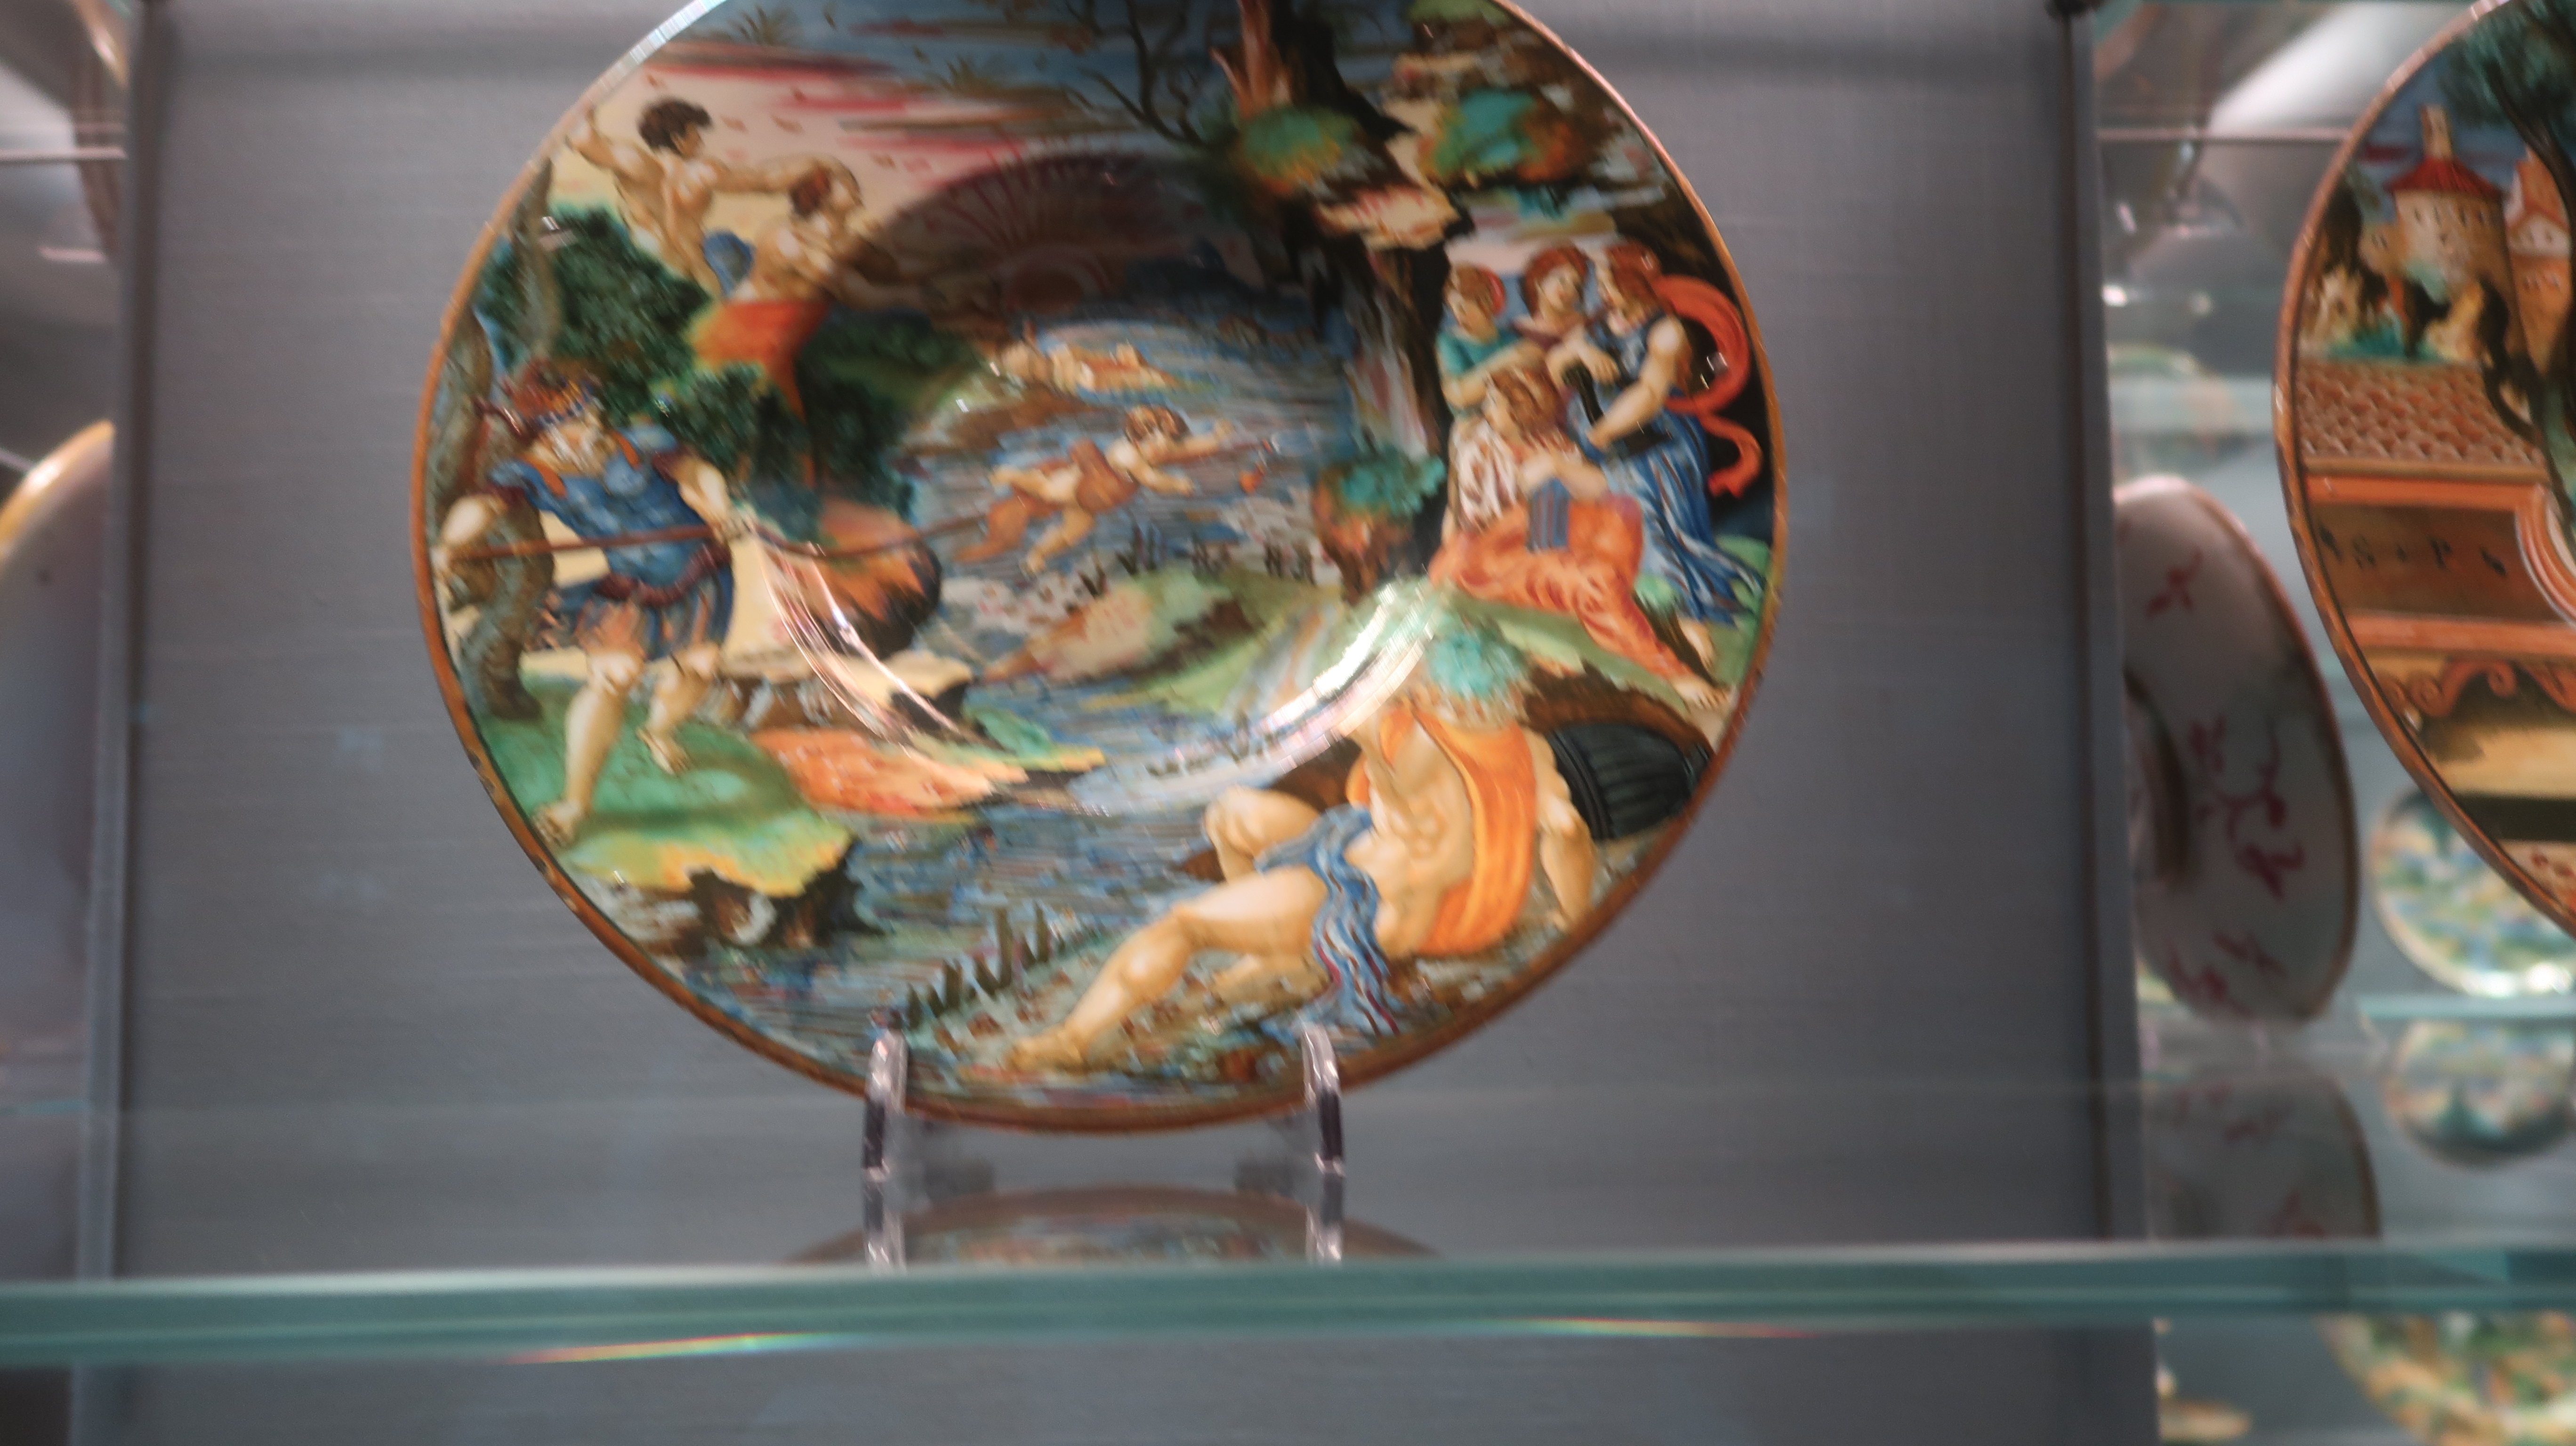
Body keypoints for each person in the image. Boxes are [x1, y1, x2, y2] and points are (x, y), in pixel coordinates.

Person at [1002, 622, 1595, 1072]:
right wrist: (1573, 916)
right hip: (1378, 858)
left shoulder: (1414, 739)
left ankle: (1074, 1040)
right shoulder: (1528, 748)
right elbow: (1568, 830)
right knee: (1233, 815)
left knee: (1184, 924)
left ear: (1436, 685)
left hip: (1380, 904)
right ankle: (1276, 950)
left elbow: (1320, 693)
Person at [431, 365, 745, 847]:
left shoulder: (639, 443)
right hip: (632, 587)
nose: (594, 424)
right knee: (612, 677)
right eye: (578, 419)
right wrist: (451, 545)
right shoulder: (527, 474)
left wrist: (721, 511)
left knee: (701, 668)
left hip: (700, 571)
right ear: (548, 431)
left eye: (592, 411)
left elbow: (696, 471)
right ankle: (574, 805)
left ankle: (659, 732)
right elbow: (485, 506)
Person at [1431, 367, 1724, 712]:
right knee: (1593, 578)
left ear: (1524, 408)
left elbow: (1600, 490)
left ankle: (1652, 610)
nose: (1486, 410)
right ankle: (1672, 670)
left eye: (1496, 402)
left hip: (1543, 534)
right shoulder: (1478, 447)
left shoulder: (1552, 442)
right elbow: (1474, 522)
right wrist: (1525, 488)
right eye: (1489, 401)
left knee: (1623, 513)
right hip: (1486, 554)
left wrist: (1557, 466)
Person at [1546, 241, 1757, 673]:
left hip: (1653, 445)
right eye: (1601, 283)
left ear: (1634, 282)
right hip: (1598, 435)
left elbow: (1648, 394)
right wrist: (1582, 352)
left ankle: (1688, 623)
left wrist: (1604, 432)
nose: (1602, 291)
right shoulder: (1602, 323)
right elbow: (1555, 365)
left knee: (1647, 525)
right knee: (1557, 488)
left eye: (1610, 282)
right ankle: (1553, 579)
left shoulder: (1666, 330)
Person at [568, 96, 827, 296]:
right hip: (698, 276)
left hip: (655, 269)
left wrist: (587, 102)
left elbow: (583, 140)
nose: (701, 142)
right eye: (695, 135)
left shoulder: (634, 162)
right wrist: (815, 163)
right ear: (678, 139)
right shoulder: (702, 174)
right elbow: (766, 180)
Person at [959, 406, 1240, 574]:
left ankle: (1038, 554)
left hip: (1092, 504)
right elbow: (1152, 480)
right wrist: (1177, 484)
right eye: (1157, 442)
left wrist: (1215, 438)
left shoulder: (1153, 452)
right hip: (1082, 484)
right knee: (1047, 490)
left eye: (1167, 443)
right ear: (1138, 437)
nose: (1163, 450)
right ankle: (1013, 474)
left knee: (1072, 534)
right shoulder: (1129, 455)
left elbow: (1188, 448)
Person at [1436, 265, 1532, 535]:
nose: (1459, 315)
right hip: (1471, 427)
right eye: (1454, 307)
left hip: (1512, 426)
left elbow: (1529, 377)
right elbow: (1459, 395)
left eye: (1466, 306)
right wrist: (1509, 361)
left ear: (1488, 302)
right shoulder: (1451, 343)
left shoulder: (1511, 339)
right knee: (1462, 498)